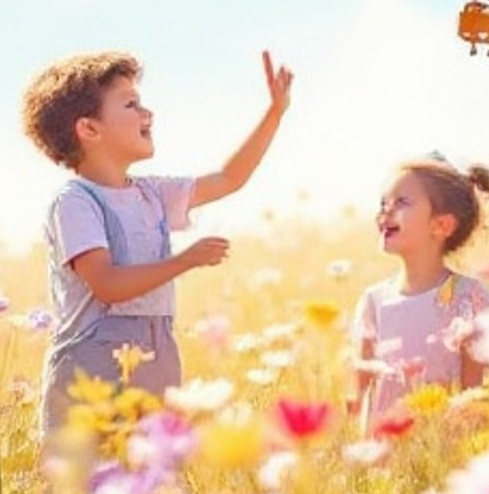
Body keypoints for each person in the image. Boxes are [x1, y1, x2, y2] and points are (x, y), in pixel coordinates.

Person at [22, 47, 293, 439]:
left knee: (154, 477)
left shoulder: (152, 193)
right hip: (91, 366)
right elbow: (107, 284)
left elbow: (229, 178)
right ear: (89, 129)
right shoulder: (76, 202)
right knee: (88, 483)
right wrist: (184, 261)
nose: (148, 114)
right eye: (131, 104)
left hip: (156, 354)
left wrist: (275, 113)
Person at [351, 157, 489, 429]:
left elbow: (477, 396)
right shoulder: (374, 301)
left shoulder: (468, 297)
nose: (385, 211)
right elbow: (362, 400)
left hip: (444, 455)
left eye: (402, 202)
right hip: (386, 460)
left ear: (441, 226)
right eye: (383, 203)